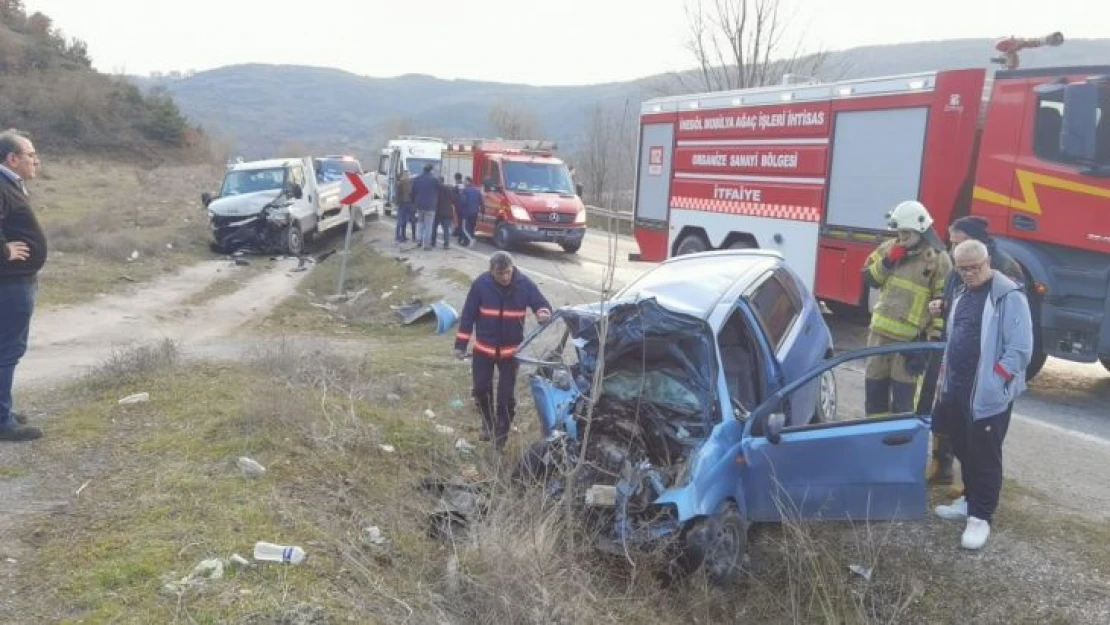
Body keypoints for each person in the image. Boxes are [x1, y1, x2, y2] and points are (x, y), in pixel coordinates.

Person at [933, 239, 1032, 550]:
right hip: (958, 388)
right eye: (962, 270)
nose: (969, 274)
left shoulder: (1009, 296)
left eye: (974, 268)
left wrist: (996, 381)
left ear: (987, 261)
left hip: (987, 394)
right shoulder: (962, 294)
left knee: (985, 456)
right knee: (963, 447)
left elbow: (1020, 348)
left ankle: (980, 517)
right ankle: (968, 500)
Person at [920, 215, 1026, 487]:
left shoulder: (1005, 267)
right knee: (945, 412)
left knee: (979, 428)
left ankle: (972, 488)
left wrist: (997, 374)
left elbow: (1013, 324)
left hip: (985, 364)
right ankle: (943, 465)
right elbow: (959, 299)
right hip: (955, 351)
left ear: (976, 241)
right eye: (952, 243)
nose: (954, 248)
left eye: (958, 241)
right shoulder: (961, 265)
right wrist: (941, 306)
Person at [454, 252, 552, 451]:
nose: (505, 278)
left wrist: (543, 313)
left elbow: (541, 304)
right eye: (500, 274)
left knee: (506, 397)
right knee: (481, 390)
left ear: (512, 268)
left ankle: (501, 435)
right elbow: (468, 316)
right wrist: (460, 345)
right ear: (492, 272)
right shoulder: (481, 285)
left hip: (510, 353)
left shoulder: (524, 284)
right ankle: (487, 423)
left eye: (508, 272)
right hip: (483, 350)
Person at [862, 200, 951, 416]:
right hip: (878, 339)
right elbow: (869, 279)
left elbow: (942, 304)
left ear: (920, 229)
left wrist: (931, 342)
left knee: (904, 404)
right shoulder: (888, 249)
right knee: (875, 395)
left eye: (905, 233)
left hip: (909, 344)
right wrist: (887, 262)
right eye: (899, 232)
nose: (900, 238)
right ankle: (876, 441)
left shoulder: (939, 260)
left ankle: (900, 445)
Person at [0, 129, 46, 442]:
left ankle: (3, 410)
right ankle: (2, 421)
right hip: (10, 283)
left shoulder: (9, 184)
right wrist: (4, 251)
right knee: (7, 350)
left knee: (7, 348)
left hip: (17, 281)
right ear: (12, 158)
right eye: (30, 155)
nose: (35, 161)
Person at [410, 163, 439, 250]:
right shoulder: (434, 180)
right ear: (431, 170)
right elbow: (440, 190)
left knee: (420, 224)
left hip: (419, 205)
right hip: (430, 206)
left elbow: (412, 192)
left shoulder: (416, 179)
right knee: (428, 226)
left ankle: (419, 241)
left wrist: (414, 202)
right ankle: (426, 245)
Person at [458, 176, 482, 246]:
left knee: (465, 228)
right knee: (471, 227)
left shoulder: (465, 191)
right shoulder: (477, 191)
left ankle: (471, 239)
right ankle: (466, 242)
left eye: (465, 181)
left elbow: (463, 202)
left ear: (468, 182)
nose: (464, 182)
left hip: (467, 212)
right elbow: (481, 201)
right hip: (475, 212)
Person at [435, 176, 456, 249]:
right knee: (446, 230)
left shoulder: (437, 190)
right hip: (447, 213)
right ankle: (446, 244)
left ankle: (433, 242)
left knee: (434, 228)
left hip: (438, 212)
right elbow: (453, 200)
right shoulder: (449, 190)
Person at [394, 170, 414, 243]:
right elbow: (397, 194)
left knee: (405, 221)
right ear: (403, 176)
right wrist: (397, 203)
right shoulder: (400, 183)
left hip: (408, 203)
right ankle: (398, 236)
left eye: (408, 175)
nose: (408, 176)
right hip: (402, 203)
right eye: (407, 175)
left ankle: (403, 235)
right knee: (400, 221)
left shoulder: (410, 182)